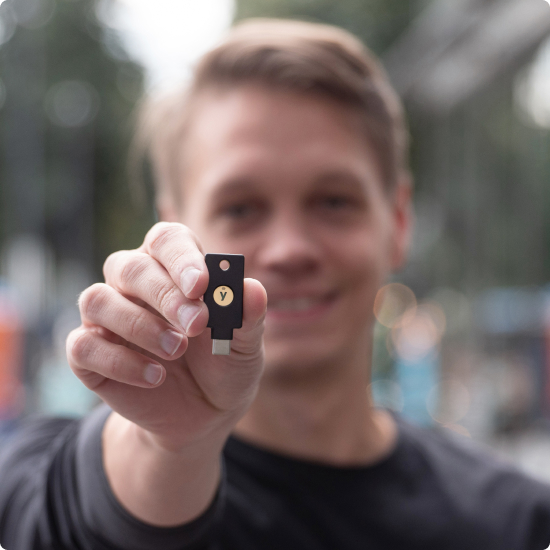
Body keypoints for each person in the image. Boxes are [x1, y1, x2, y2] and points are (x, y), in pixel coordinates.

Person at [0, 18, 549, 550]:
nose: (289, 249)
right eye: (240, 208)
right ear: (175, 227)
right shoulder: (47, 477)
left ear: (398, 223)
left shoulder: (518, 524)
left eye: (334, 201)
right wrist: (168, 444)